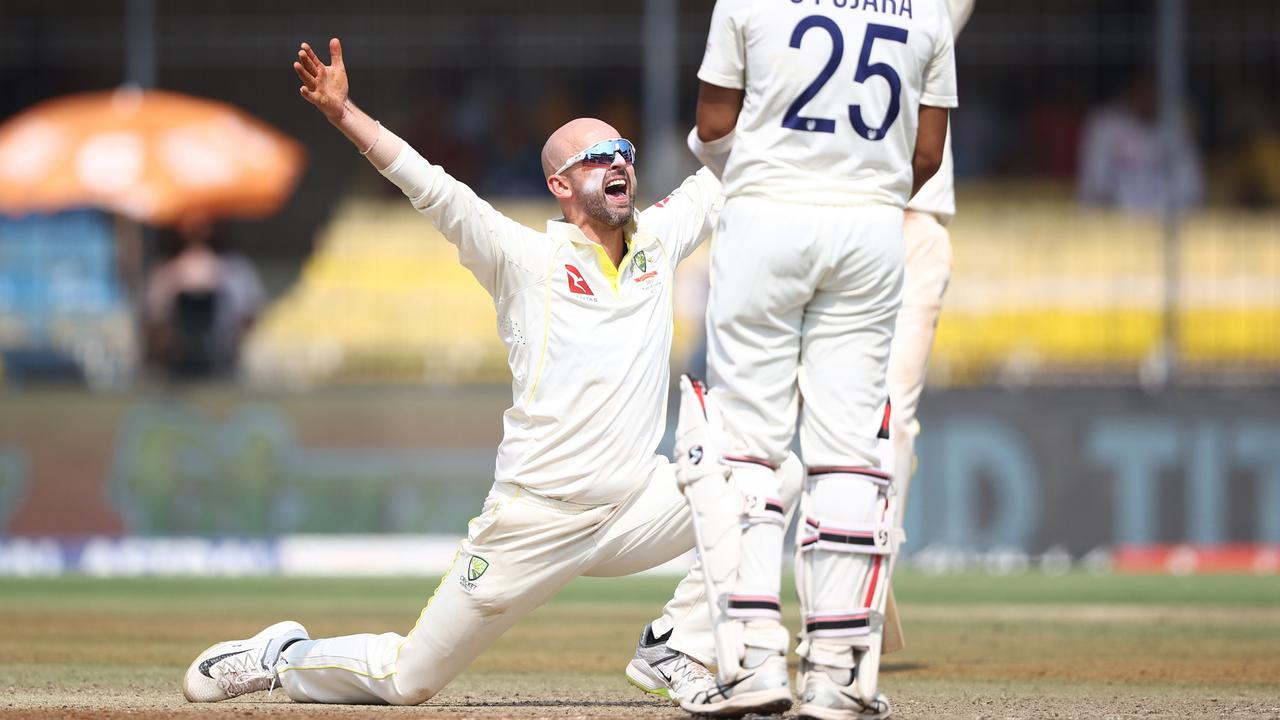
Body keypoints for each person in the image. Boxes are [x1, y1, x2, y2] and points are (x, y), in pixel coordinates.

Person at [181, 37, 802, 708]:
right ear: (560, 185)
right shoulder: (520, 257)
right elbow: (432, 188)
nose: (617, 160)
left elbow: (726, 171)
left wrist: (792, 79)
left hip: (635, 504)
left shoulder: (659, 240)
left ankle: (675, 644)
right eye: (595, 158)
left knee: (770, 475)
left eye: (622, 150)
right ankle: (284, 658)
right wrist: (344, 113)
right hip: (534, 517)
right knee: (408, 679)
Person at [679, 1, 956, 718]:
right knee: (850, 452)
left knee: (745, 449)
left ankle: (753, 660)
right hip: (870, 226)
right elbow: (927, 154)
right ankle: (835, 673)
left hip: (767, 214)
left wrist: (768, 174)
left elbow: (713, 125)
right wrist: (862, 192)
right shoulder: (925, 7)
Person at [880, 0, 977, 658]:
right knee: (865, 418)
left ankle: (864, 562)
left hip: (904, 220)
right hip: (851, 218)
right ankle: (855, 569)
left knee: (888, 418)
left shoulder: (928, 11)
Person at [143, 216, 265, 380]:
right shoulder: (165, 272)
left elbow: (251, 320)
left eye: (206, 214)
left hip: (225, 368)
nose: (197, 223)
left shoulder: (236, 270)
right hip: (174, 374)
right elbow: (153, 329)